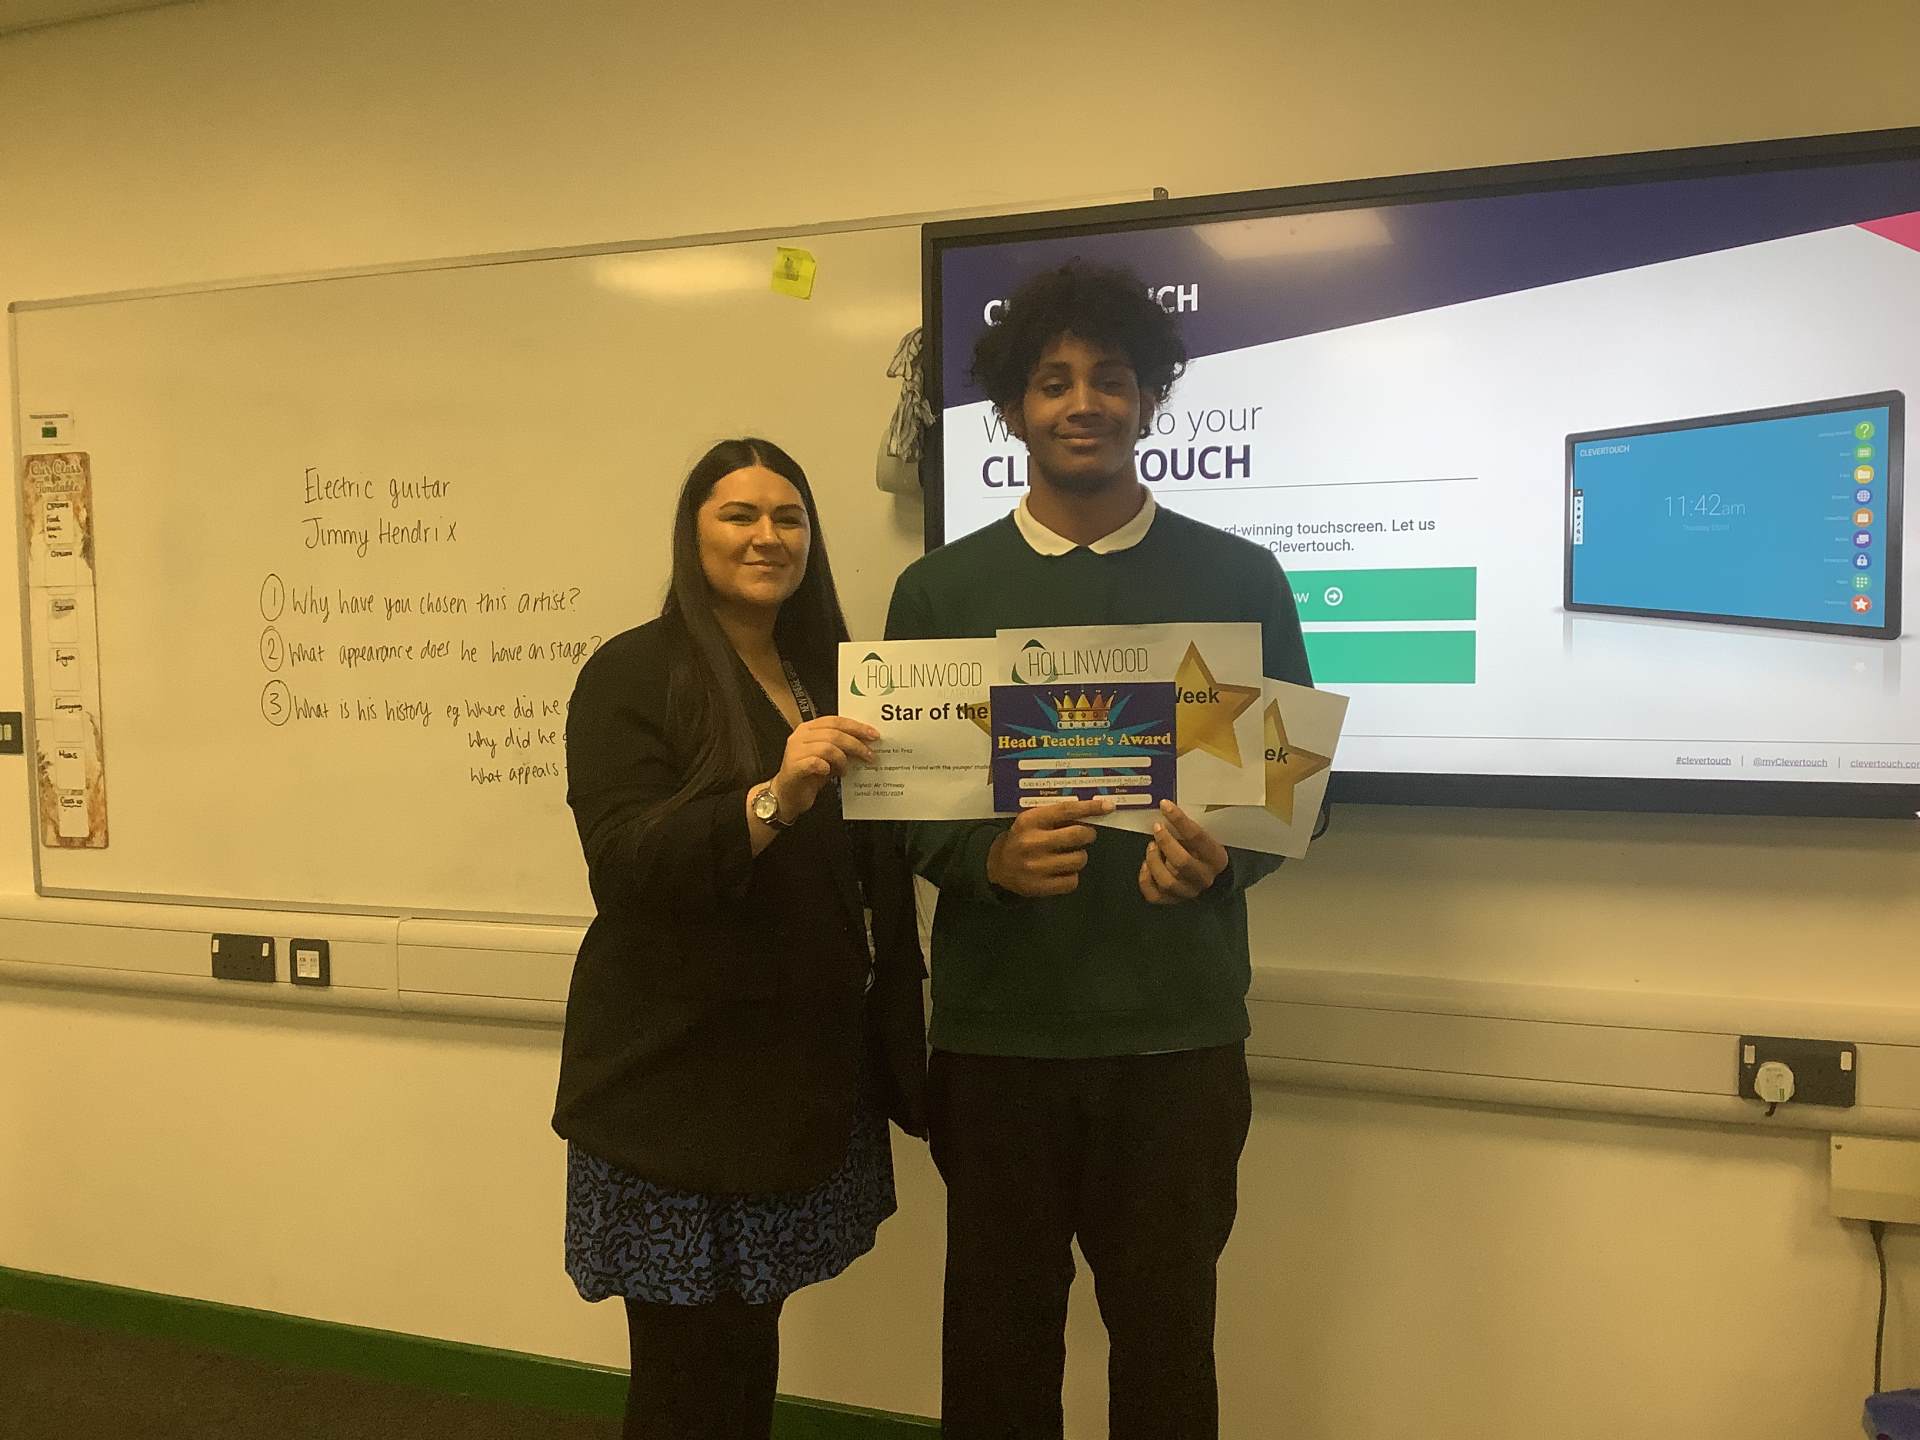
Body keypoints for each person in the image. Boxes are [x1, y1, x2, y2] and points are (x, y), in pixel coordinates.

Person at [885, 261, 1313, 1439]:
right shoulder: (938, 593)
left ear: (1148, 399)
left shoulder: (1239, 578)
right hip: (999, 1042)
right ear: (1012, 410)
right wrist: (984, 862)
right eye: (1054, 380)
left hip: (1176, 1042)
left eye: (1111, 378)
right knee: (997, 1355)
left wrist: (1227, 861)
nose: (1084, 402)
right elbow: (903, 809)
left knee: (1168, 1352)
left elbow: (1289, 795)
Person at [554, 437, 927, 1440]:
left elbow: (874, 864)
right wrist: (773, 796)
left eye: (788, 517)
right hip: (676, 1092)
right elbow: (624, 865)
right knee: (686, 1375)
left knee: (746, 1349)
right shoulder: (633, 672)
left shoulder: (828, 675)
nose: (768, 535)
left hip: (797, 1084)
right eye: (740, 514)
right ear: (693, 534)